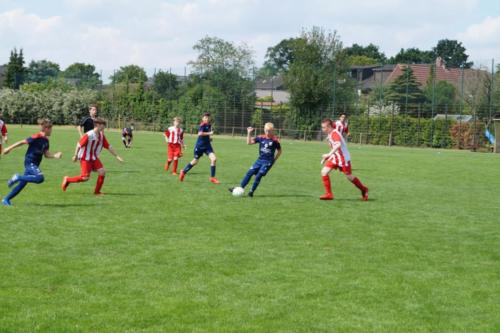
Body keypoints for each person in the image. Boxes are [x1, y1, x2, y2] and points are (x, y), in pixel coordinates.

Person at [2, 119, 62, 206]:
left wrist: (55, 155)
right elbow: (22, 142)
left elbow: (46, 154)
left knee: (21, 185)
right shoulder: (36, 136)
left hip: (35, 164)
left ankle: (6, 199)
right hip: (30, 162)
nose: (51, 130)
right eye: (50, 128)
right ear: (46, 128)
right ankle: (17, 177)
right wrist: (9, 148)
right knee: (40, 178)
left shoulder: (46, 141)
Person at [62, 118, 123, 195]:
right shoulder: (89, 135)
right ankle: (68, 179)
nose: (104, 127)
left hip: (93, 157)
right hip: (85, 158)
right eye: (102, 125)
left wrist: (117, 156)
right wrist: (75, 155)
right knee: (85, 178)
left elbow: (108, 146)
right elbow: (79, 145)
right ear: (97, 125)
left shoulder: (101, 135)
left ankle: (97, 192)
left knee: (102, 172)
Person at [320, 119, 368, 201]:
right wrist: (328, 156)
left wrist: (328, 154)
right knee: (324, 172)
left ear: (329, 127)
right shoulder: (330, 134)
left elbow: (338, 145)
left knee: (349, 176)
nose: (322, 129)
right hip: (335, 157)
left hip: (343, 158)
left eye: (324, 127)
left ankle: (364, 189)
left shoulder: (334, 133)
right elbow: (334, 147)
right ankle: (329, 194)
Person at [229, 123, 282, 197]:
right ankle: (240, 188)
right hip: (259, 160)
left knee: (259, 175)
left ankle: (251, 192)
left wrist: (274, 160)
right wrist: (249, 133)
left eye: (269, 131)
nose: (267, 132)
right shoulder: (261, 137)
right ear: (264, 129)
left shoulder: (275, 140)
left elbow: (279, 151)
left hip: (268, 162)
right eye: (266, 130)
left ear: (272, 131)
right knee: (249, 172)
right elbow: (249, 143)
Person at [179, 113, 219, 184]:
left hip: (207, 146)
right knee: (195, 161)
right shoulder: (202, 125)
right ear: (202, 119)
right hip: (199, 146)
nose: (207, 119)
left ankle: (212, 178)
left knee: (214, 159)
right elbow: (200, 133)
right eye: (205, 118)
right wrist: (209, 133)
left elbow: (206, 135)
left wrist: (209, 139)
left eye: (208, 118)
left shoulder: (209, 125)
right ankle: (183, 171)